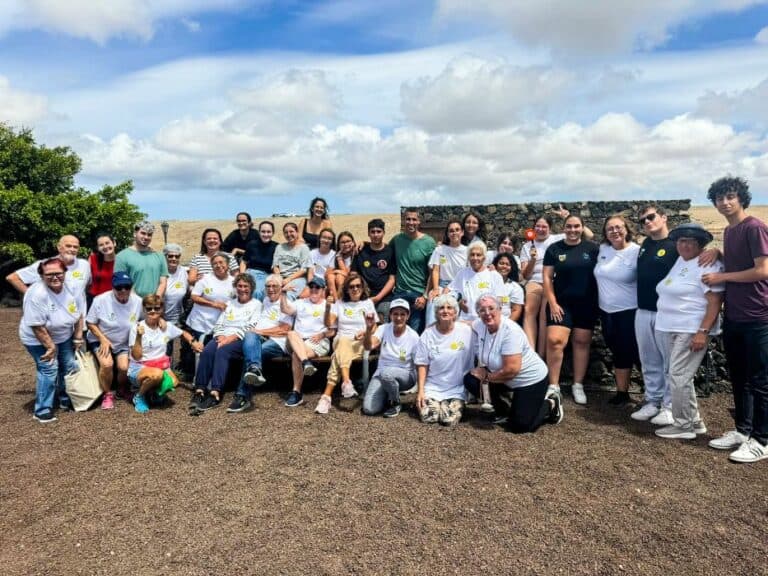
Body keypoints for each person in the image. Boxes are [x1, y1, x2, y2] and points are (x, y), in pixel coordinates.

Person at [702, 176, 768, 463]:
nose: (725, 202)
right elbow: (741, 262)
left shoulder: (755, 227)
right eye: (719, 198)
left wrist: (722, 275)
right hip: (736, 315)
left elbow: (763, 270)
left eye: (730, 196)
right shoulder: (731, 232)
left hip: (759, 316)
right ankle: (743, 430)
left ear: (741, 198)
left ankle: (762, 440)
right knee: (739, 377)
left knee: (761, 381)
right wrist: (720, 253)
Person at [653, 223, 724, 440]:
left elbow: (715, 301)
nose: (684, 245)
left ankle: (683, 425)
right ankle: (694, 421)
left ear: (700, 244)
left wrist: (702, 331)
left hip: (690, 328)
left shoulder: (708, 264)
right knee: (681, 376)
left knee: (678, 375)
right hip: (671, 326)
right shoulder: (681, 260)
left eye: (690, 241)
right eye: (681, 241)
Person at [464, 295, 561, 432]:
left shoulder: (510, 332)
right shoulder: (481, 324)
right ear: (478, 313)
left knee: (520, 427)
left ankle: (550, 404)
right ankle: (503, 410)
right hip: (503, 377)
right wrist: (437, 326)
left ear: (500, 309)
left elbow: (511, 371)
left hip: (529, 380)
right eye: (482, 310)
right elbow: (465, 323)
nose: (487, 313)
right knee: (471, 380)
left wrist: (486, 377)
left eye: (491, 308)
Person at [19, 257, 85, 423]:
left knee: (68, 365)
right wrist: (50, 347)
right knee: (49, 368)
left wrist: (77, 338)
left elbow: (79, 315)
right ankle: (42, 409)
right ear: (41, 275)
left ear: (65, 273)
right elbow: (37, 326)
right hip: (37, 338)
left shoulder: (73, 287)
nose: (55, 277)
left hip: (63, 335)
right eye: (49, 274)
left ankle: (65, 399)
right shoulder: (36, 294)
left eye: (58, 273)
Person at [543, 214, 599, 405]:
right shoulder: (554, 248)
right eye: (569, 226)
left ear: (582, 228)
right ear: (563, 228)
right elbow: (547, 278)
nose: (573, 230)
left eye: (577, 226)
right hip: (561, 303)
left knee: (582, 342)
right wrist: (552, 302)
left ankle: (578, 385)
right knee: (555, 340)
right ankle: (554, 386)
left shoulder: (592, 249)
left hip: (586, 303)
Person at [520, 205, 591, 357]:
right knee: (529, 310)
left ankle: (541, 354)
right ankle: (530, 353)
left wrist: (568, 216)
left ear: (550, 229)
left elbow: (589, 236)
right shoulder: (527, 246)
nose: (540, 229)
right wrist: (532, 259)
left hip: (552, 282)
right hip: (534, 281)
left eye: (544, 226)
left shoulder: (558, 238)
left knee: (545, 315)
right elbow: (525, 275)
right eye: (537, 226)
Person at [189, 274, 262, 412]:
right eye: (239, 286)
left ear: (251, 288)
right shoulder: (230, 303)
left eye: (246, 286)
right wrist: (221, 335)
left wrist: (231, 338)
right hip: (223, 336)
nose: (242, 289)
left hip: (240, 339)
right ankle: (199, 390)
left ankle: (215, 392)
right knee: (208, 351)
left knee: (223, 351)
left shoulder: (256, 305)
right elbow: (220, 322)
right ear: (235, 287)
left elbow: (252, 326)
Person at [593, 214, 641, 405]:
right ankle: (622, 393)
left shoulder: (637, 251)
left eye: (618, 227)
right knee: (618, 352)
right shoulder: (603, 249)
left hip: (630, 312)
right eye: (610, 228)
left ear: (627, 229)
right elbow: (585, 234)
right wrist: (565, 216)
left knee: (638, 353)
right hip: (606, 313)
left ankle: (656, 396)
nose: (614, 231)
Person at [228, 275, 294, 413]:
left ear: (281, 287)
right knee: (249, 335)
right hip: (260, 337)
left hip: (278, 342)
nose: (271, 289)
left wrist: (260, 331)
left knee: (253, 353)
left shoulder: (286, 303)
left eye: (274, 286)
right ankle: (254, 369)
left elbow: (284, 330)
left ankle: (242, 396)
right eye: (268, 286)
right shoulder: (265, 300)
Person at [315, 273, 377, 414]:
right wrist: (328, 308)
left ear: (362, 287)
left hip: (360, 342)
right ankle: (347, 381)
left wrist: (364, 331)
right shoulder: (340, 303)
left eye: (358, 286)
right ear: (347, 289)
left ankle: (326, 397)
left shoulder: (367, 303)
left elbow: (374, 326)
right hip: (341, 339)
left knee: (337, 355)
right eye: (351, 287)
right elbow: (328, 323)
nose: (355, 289)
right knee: (342, 340)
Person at [128, 295, 202, 414]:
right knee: (157, 375)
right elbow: (136, 356)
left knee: (173, 382)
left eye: (156, 308)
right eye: (149, 308)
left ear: (162, 309)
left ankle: (152, 393)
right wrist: (138, 336)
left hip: (159, 365)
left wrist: (193, 342)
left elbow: (182, 332)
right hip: (140, 367)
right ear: (144, 310)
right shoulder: (137, 328)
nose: (153, 311)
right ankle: (139, 396)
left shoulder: (165, 326)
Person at [85, 271, 143, 410]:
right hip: (100, 339)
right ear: (113, 287)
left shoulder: (138, 301)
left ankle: (121, 389)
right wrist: (103, 339)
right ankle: (107, 393)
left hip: (123, 341)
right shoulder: (100, 300)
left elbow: (143, 320)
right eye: (119, 287)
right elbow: (90, 323)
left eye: (127, 287)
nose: (123, 290)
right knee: (107, 364)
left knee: (123, 367)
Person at [414, 294, 474, 427]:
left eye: (449, 308)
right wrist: (421, 391)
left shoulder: (467, 331)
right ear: (436, 312)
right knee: (429, 417)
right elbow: (422, 364)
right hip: (432, 387)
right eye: (441, 308)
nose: (445, 311)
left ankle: (452, 404)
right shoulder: (428, 334)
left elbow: (484, 324)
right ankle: (437, 404)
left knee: (449, 420)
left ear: (455, 312)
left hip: (456, 388)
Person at [179, 252, 234, 379]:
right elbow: (194, 296)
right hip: (201, 322)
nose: (218, 265)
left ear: (227, 264)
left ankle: (212, 378)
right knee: (199, 351)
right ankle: (197, 378)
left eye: (221, 262)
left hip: (220, 324)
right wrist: (213, 304)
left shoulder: (233, 282)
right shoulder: (205, 280)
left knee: (216, 352)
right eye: (215, 263)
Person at [280, 277, 333, 408]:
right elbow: (285, 309)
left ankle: (296, 392)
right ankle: (306, 362)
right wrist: (283, 293)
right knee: (292, 333)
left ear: (323, 290)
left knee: (296, 354)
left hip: (317, 341)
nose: (314, 290)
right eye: (312, 287)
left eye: (317, 287)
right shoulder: (300, 302)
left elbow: (332, 331)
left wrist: (322, 334)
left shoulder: (328, 304)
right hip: (297, 340)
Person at [361, 298, 419, 417]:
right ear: (391, 315)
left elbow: (419, 363)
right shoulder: (383, 328)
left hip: (406, 375)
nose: (398, 318)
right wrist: (368, 329)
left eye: (402, 314)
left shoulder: (413, 336)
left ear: (408, 316)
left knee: (386, 373)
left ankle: (395, 403)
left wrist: (422, 391)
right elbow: (369, 346)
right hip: (382, 374)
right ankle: (388, 394)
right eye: (395, 314)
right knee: (369, 409)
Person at [390, 209, 437, 333]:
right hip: (400, 293)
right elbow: (381, 248)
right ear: (403, 221)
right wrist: (364, 242)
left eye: (414, 219)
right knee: (396, 330)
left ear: (419, 221)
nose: (411, 222)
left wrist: (425, 296)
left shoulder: (429, 242)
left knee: (415, 332)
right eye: (408, 219)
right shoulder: (397, 240)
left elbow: (433, 271)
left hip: (418, 295)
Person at [7, 234, 91, 298]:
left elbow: (87, 285)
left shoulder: (84, 265)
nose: (72, 249)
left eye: (75, 247)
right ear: (59, 247)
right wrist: (32, 297)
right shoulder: (46, 264)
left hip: (79, 317)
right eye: (68, 246)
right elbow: (13, 278)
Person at [446, 241, 505, 323]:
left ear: (484, 257)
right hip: (465, 321)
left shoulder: (494, 276)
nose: (475, 258)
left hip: (486, 322)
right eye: (472, 255)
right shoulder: (462, 273)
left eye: (478, 255)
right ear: (468, 257)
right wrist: (458, 303)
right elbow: (449, 290)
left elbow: (500, 301)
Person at [425, 219, 467, 328]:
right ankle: (429, 331)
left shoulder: (467, 251)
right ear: (448, 234)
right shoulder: (440, 250)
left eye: (457, 230)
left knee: (449, 303)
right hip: (441, 285)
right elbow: (435, 270)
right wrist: (435, 290)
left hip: (458, 287)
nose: (454, 233)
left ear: (462, 232)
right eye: (451, 231)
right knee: (433, 301)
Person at [352, 218, 396, 321]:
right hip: (362, 296)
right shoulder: (360, 250)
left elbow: (392, 279)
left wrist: (377, 298)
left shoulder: (390, 252)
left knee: (382, 322)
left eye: (378, 231)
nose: (376, 235)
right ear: (368, 233)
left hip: (384, 298)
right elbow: (353, 274)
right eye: (372, 232)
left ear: (383, 233)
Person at [114, 221, 168, 298]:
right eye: (143, 233)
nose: (146, 237)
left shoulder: (159, 256)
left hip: (154, 306)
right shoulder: (122, 256)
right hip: (131, 303)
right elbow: (122, 283)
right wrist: (137, 301)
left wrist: (155, 300)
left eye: (149, 235)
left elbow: (163, 282)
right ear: (135, 234)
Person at [273, 222, 313, 301]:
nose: (289, 234)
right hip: (280, 277)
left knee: (288, 294)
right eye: (286, 232)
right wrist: (279, 278)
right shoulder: (279, 247)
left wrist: (288, 279)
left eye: (291, 231)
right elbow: (275, 266)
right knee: (269, 291)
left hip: (297, 278)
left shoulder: (304, 248)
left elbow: (304, 269)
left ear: (297, 232)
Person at [240, 220, 278, 301]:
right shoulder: (252, 244)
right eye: (263, 232)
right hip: (250, 273)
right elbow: (244, 262)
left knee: (261, 292)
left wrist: (277, 279)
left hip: (265, 275)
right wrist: (242, 275)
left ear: (273, 233)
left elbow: (276, 266)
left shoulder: (276, 247)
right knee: (248, 290)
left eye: (268, 232)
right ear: (259, 232)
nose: (266, 234)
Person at [162, 243, 189, 335]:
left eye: (177, 256)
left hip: (179, 319)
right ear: (165, 257)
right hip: (162, 318)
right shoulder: (159, 272)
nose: (174, 259)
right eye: (170, 256)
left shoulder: (183, 272)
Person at [492, 252, 524, 323]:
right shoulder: (486, 282)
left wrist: (505, 326)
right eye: (501, 263)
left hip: (504, 323)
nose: (504, 266)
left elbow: (516, 310)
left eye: (508, 264)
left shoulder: (515, 287)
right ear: (496, 265)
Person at [87, 233, 117, 305]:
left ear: (114, 243)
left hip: (114, 301)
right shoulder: (93, 259)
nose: (105, 246)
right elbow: (86, 280)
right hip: (94, 300)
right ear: (98, 248)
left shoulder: (122, 261)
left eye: (107, 243)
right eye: (101, 245)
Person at [327, 231, 356, 299]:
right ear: (338, 245)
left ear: (353, 242)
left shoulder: (355, 255)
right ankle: (336, 301)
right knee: (330, 277)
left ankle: (339, 300)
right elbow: (327, 273)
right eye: (342, 242)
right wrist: (337, 271)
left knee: (339, 277)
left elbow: (348, 274)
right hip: (337, 284)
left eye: (348, 241)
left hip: (352, 281)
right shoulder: (336, 255)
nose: (346, 244)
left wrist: (339, 259)